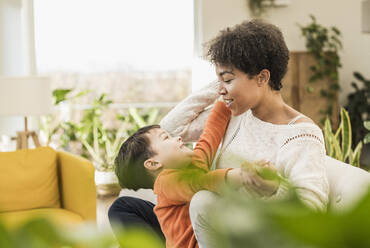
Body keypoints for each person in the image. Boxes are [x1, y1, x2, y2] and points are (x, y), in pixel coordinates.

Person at [110, 101, 279, 248]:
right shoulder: (164, 182)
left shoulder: (194, 165)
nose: (177, 138)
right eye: (166, 138)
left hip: (190, 236)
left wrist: (223, 103)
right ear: (153, 164)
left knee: (121, 206)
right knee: (121, 206)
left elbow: (209, 138)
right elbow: (200, 182)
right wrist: (242, 175)